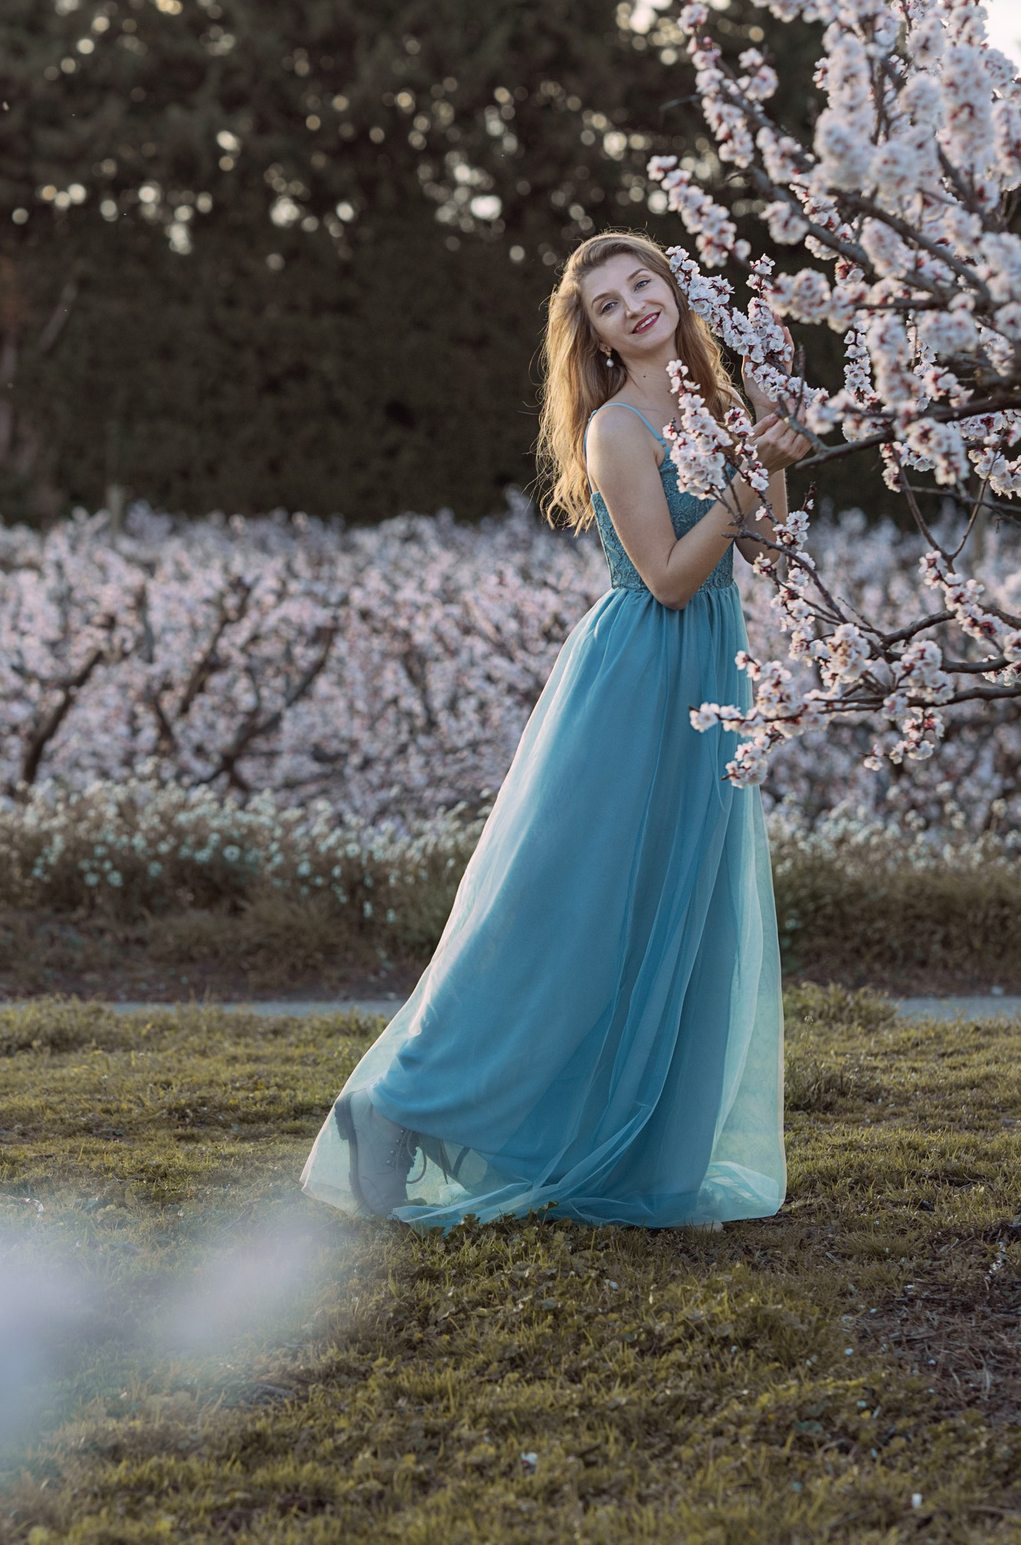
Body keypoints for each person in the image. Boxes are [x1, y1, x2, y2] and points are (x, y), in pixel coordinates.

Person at [300, 231, 811, 1228]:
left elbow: (776, 555)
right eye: (611, 306)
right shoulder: (618, 428)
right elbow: (666, 578)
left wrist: (767, 453)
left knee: (679, 909)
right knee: (563, 912)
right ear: (600, 340)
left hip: (712, 676)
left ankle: (630, 1152)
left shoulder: (718, 407)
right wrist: (748, 479)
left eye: (643, 285)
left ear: (674, 289)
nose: (634, 308)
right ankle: (395, 1106)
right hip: (634, 683)